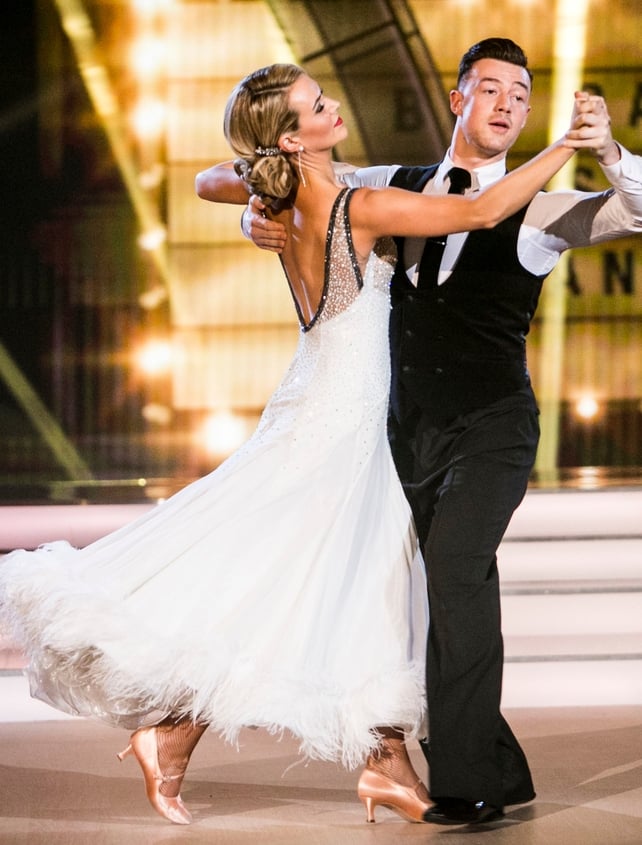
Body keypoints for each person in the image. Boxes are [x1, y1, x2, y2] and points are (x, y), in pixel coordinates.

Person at [0, 61, 599, 828]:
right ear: (293, 134)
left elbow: (216, 178)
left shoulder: (290, 191)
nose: (335, 105)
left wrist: (253, 201)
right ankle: (242, 741)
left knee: (329, 581)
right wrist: (564, 147)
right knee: (314, 579)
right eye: (319, 105)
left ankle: (333, 753)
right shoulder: (364, 203)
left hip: (316, 399)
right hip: (345, 420)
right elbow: (481, 214)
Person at [195, 39, 642, 825]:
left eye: (522, 94)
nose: (508, 104)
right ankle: (499, 759)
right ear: (457, 99)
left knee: (455, 569)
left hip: (495, 426)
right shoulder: (385, 184)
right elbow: (231, 174)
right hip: (405, 432)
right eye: (491, 89)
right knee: (435, 587)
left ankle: (469, 782)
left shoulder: (541, 206)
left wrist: (603, 148)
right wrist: (252, 213)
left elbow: (638, 210)